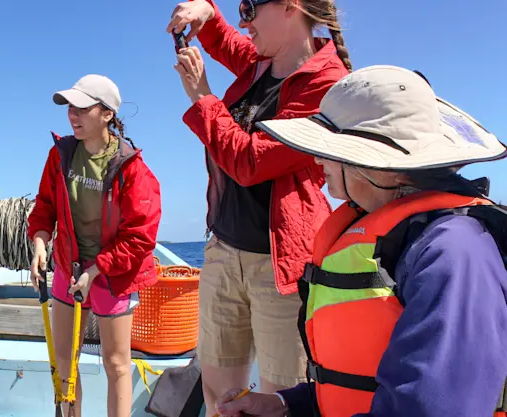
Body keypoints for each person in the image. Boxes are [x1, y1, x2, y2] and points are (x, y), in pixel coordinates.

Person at [214, 65, 507, 417]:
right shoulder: (398, 236)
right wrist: (284, 404)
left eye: (329, 148)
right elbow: (363, 381)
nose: (318, 158)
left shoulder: (454, 252)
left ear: (378, 164)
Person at [166, 0, 353, 412]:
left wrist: (202, 97)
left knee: (277, 403)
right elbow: (226, 39)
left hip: (281, 268)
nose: (244, 21)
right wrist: (206, 12)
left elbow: (252, 162)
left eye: (251, 7)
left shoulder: (327, 83)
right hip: (223, 252)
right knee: (217, 397)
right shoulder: (262, 60)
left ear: (290, 7)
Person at [27, 74, 162, 417]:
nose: (73, 115)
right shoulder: (59, 155)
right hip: (67, 266)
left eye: (82, 108)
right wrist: (40, 242)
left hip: (112, 274)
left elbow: (140, 236)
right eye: (70, 107)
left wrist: (96, 268)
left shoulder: (132, 169)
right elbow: (44, 206)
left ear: (106, 114)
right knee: (63, 361)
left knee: (116, 364)